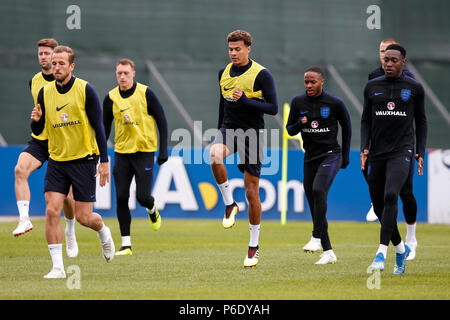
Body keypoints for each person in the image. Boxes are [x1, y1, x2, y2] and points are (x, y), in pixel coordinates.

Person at [31, 45, 115, 279]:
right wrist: (35, 122)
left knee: (84, 218)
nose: (56, 67)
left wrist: (104, 160)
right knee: (51, 210)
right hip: (57, 159)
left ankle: (104, 233)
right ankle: (57, 267)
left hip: (84, 159)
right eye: (54, 63)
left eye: (61, 64)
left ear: (71, 66)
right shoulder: (44, 93)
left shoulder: (85, 89)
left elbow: (99, 127)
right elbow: (40, 129)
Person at [209, 30, 278, 268]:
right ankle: (229, 203)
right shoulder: (223, 73)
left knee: (251, 193)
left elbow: (273, 108)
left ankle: (253, 245)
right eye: (230, 49)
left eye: (238, 49)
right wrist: (219, 130)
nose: (233, 53)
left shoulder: (262, 74)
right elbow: (222, 104)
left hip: (253, 134)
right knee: (214, 155)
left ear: (249, 48)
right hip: (229, 130)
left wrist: (245, 100)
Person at [361, 44, 427, 275]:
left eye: (393, 60)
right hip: (377, 152)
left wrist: (421, 150)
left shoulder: (414, 88)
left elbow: (421, 121)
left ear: (403, 62)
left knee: (392, 195)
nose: (388, 64)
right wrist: (364, 148)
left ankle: (381, 252)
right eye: (385, 60)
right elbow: (365, 120)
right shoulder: (371, 86)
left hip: (403, 150)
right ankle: (400, 248)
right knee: (379, 205)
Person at [13, 38, 79, 258]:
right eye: (40, 53)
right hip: (41, 141)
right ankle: (24, 219)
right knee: (20, 169)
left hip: (63, 143)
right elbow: (39, 118)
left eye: (47, 53)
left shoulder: (70, 84)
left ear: (57, 56)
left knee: (68, 199)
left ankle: (70, 230)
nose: (43, 57)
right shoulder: (34, 81)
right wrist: (36, 120)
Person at [103, 58, 168, 256]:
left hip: (144, 152)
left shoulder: (146, 93)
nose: (122, 76)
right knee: (121, 197)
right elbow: (103, 130)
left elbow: (162, 121)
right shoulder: (111, 98)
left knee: (142, 197)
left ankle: (152, 208)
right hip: (122, 153)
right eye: (119, 73)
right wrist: (99, 155)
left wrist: (163, 150)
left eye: (126, 73)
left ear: (133, 73)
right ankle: (126, 245)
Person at [286, 67, 351, 265]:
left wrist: (346, 156)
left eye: (312, 82)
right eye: (306, 81)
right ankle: (328, 251)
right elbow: (289, 130)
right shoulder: (298, 102)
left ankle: (315, 237)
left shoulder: (334, 103)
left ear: (322, 81)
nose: (308, 85)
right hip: (310, 157)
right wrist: (299, 123)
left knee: (318, 190)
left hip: (331, 155)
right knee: (314, 201)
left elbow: (347, 127)